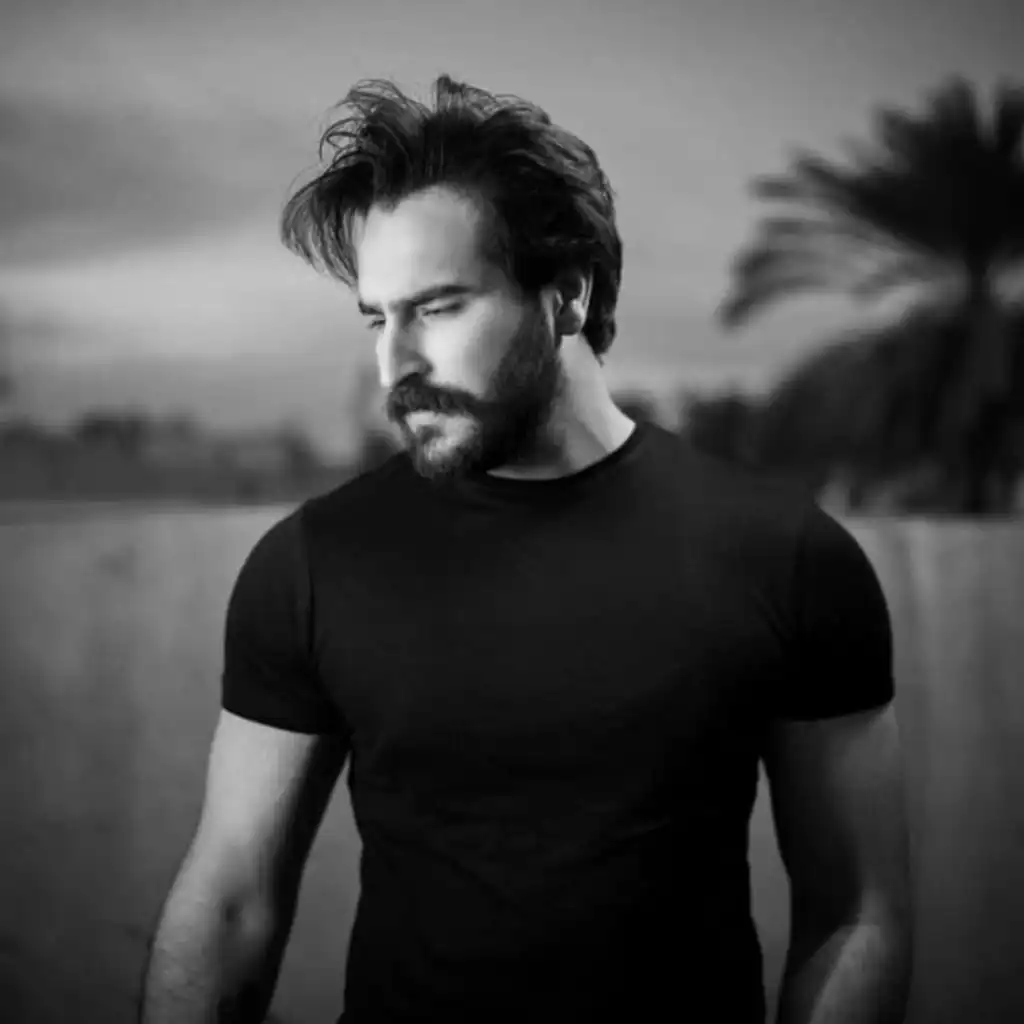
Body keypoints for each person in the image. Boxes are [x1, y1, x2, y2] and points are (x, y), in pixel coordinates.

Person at [139, 74, 913, 1024]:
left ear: (568, 294)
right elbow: (230, 905)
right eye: (378, 317)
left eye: (439, 308)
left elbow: (856, 915)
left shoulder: (787, 557)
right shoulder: (311, 563)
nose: (394, 364)